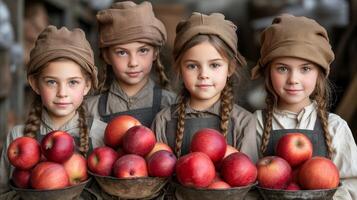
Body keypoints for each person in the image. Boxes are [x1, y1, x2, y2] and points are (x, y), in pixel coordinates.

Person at [151, 12, 259, 199]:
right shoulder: (164, 120)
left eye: (214, 65)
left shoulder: (244, 122)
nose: (204, 74)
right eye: (192, 66)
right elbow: (154, 183)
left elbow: (247, 186)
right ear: (179, 68)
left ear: (230, 68)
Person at [252, 14, 357, 199]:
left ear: (319, 74)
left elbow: (352, 185)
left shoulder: (335, 128)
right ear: (268, 72)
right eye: (282, 68)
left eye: (305, 69)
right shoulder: (254, 124)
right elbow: (244, 185)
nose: (293, 79)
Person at [0, 25, 106, 199]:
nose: (62, 92)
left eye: (72, 82)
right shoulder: (18, 136)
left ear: (87, 85)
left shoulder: (100, 133)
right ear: (34, 84)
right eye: (51, 82)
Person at [85, 1, 176, 126]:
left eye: (143, 50)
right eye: (122, 52)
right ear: (107, 56)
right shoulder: (89, 109)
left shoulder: (172, 104)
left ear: (155, 53)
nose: (133, 63)